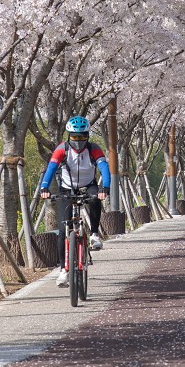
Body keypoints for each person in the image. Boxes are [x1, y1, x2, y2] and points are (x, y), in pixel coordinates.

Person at [39, 116, 111, 287]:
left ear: (87, 136)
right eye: (74, 137)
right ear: (68, 136)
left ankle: (94, 234)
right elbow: (51, 168)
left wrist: (105, 188)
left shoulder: (94, 149)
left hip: (88, 186)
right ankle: (63, 270)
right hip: (67, 188)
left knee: (94, 200)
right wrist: (44, 187)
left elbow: (104, 168)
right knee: (63, 230)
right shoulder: (61, 150)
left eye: (82, 137)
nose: (78, 141)